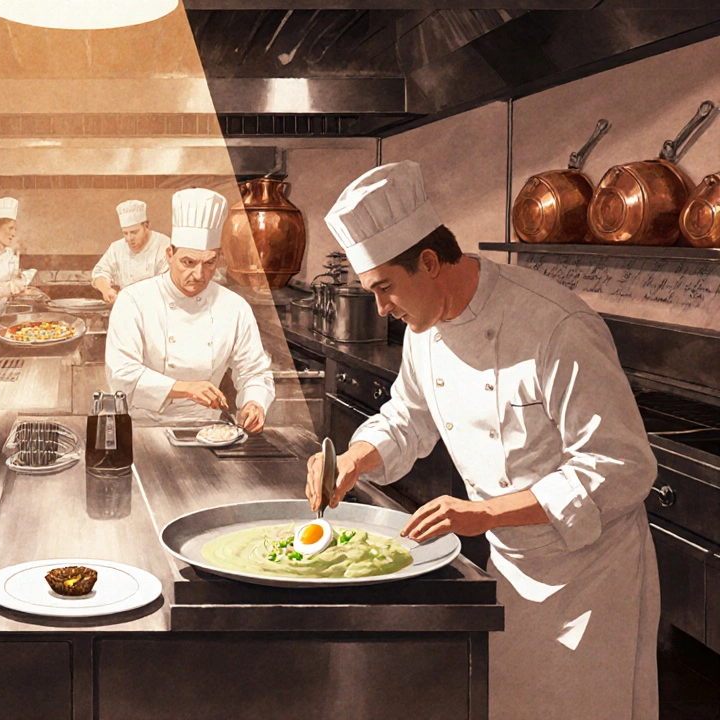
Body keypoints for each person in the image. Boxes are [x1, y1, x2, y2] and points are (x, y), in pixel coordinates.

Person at [305, 160, 659, 719]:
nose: (382, 309)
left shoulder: (554, 326)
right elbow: (409, 416)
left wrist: (485, 514)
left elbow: (621, 466)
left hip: (591, 578)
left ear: (428, 262)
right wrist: (354, 456)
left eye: (385, 289)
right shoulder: (427, 328)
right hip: (511, 566)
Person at [105, 188, 274, 429]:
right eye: (188, 262)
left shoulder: (235, 307)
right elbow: (122, 374)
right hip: (141, 427)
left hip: (207, 426)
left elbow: (254, 371)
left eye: (209, 263)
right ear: (169, 255)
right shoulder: (133, 301)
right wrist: (186, 389)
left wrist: (254, 403)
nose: (199, 274)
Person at [91, 199, 171, 304]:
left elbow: (165, 285)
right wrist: (107, 290)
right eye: (125, 233)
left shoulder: (164, 245)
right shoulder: (117, 248)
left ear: (146, 226)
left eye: (134, 232)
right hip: (126, 306)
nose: (129, 238)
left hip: (155, 307)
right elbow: (99, 272)